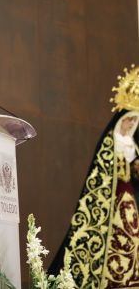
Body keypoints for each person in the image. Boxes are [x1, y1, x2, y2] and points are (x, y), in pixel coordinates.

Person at [49, 67, 139, 288]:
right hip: (111, 200)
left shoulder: (132, 145)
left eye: (135, 121)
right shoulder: (111, 142)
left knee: (131, 237)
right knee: (114, 237)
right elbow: (102, 171)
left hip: (129, 200)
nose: (131, 125)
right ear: (121, 120)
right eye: (129, 120)